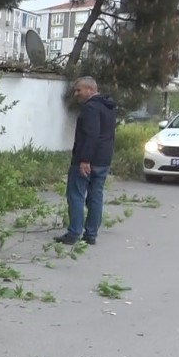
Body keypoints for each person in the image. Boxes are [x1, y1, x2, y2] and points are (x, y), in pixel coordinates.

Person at [54, 76, 116, 246]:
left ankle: (74, 232)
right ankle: (91, 234)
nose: (76, 93)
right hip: (103, 159)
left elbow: (91, 134)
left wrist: (84, 160)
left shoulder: (91, 108)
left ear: (90, 89)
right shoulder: (108, 107)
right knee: (96, 196)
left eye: (79, 90)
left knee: (76, 195)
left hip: (87, 160)